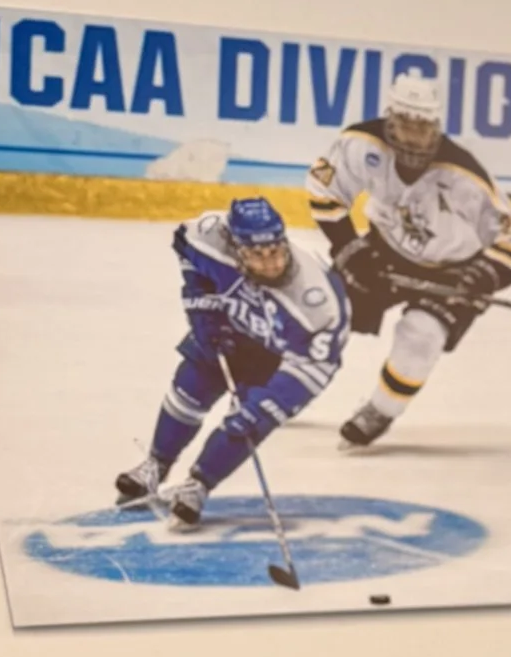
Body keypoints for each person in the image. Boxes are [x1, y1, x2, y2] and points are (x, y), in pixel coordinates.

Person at [305, 65, 511, 447]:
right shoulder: (361, 144)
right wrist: (349, 249)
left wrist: (478, 277)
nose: (413, 136)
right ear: (390, 120)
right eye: (405, 125)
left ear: (436, 127)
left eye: (422, 127)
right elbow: (324, 192)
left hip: (453, 269)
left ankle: (381, 410)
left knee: (421, 333)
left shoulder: (465, 176)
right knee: (322, 307)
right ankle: (275, 381)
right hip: (385, 252)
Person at [115, 195, 348, 528]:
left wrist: (267, 406)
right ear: (236, 248)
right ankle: (156, 465)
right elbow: (185, 245)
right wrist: (200, 303)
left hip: (275, 357)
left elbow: (317, 366)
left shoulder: (316, 300)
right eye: (257, 255)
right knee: (187, 393)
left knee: (245, 424)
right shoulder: (211, 236)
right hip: (227, 330)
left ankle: (198, 485)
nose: (271, 264)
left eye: (275, 252)